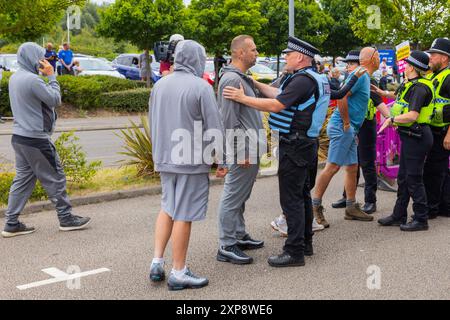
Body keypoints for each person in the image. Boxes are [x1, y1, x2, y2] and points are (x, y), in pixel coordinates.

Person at [223, 36, 331, 267]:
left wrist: (242, 97)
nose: (285, 58)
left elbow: (276, 105)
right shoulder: (312, 78)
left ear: (300, 57)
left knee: (291, 199)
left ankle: (294, 252)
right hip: (306, 145)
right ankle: (305, 243)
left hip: (295, 145)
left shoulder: (302, 80)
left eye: (288, 55)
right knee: (302, 196)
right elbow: (278, 95)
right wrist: (253, 84)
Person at [149, 40, 227, 290]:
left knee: (168, 207)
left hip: (164, 158)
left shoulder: (160, 85)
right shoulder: (201, 87)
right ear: (197, 59)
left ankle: (157, 261)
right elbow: (214, 126)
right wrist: (221, 159)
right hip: (191, 160)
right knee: (184, 213)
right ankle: (179, 271)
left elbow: (153, 121)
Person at [1, 42, 90, 238]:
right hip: (36, 139)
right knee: (56, 177)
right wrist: (51, 75)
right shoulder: (34, 80)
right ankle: (66, 219)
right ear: (34, 58)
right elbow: (55, 100)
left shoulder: (15, 78)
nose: (44, 60)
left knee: (22, 181)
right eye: (41, 56)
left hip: (19, 137)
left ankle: (11, 223)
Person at [312, 47, 379, 228]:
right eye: (378, 55)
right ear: (372, 58)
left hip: (348, 128)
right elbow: (341, 97)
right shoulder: (360, 74)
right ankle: (314, 207)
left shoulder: (363, 75)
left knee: (352, 167)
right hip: (343, 127)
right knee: (332, 167)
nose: (380, 58)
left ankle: (351, 207)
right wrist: (348, 124)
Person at [216, 35, 265, 265]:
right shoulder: (230, 80)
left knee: (241, 195)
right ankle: (226, 244)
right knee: (232, 196)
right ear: (240, 53)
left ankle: (238, 234)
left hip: (250, 147)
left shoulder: (242, 78)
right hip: (243, 150)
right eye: (253, 50)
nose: (256, 53)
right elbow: (228, 122)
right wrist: (239, 152)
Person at [377, 50, 435, 231]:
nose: (404, 66)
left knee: (414, 178)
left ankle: (421, 218)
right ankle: (398, 214)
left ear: (412, 67)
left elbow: (412, 115)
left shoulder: (419, 88)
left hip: (417, 136)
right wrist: (381, 91)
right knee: (403, 177)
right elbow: (402, 100)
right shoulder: (411, 84)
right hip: (411, 136)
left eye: (407, 64)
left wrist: (391, 120)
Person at [331, 50, 391, 214]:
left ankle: (370, 201)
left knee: (367, 163)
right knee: (351, 163)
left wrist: (391, 118)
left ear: (360, 64)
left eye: (351, 63)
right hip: (351, 125)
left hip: (366, 126)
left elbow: (380, 104)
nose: (348, 67)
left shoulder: (364, 79)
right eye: (347, 64)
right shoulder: (351, 80)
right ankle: (347, 197)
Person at [423, 38, 450, 219]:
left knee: (434, 171)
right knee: (440, 170)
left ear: (445, 58)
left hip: (443, 131)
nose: (430, 57)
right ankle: (444, 206)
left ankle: (432, 208)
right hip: (434, 130)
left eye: (434, 54)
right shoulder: (433, 75)